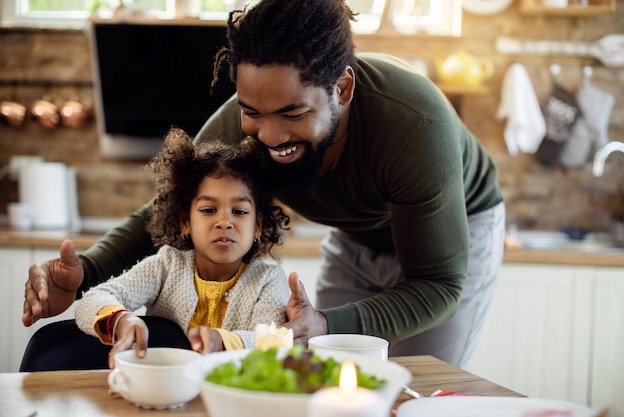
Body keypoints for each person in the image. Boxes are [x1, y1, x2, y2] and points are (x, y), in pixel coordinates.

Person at [22, 0, 505, 368]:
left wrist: (329, 323)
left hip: (454, 232)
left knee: (414, 383)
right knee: (326, 379)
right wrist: (85, 272)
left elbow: (439, 283)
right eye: (253, 112)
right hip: (357, 233)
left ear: (342, 88)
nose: (270, 137)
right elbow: (170, 212)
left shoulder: (415, 127)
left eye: (293, 113)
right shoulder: (241, 126)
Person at [77, 128, 291, 365]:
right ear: (185, 222)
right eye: (209, 210)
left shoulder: (269, 280)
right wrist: (121, 321)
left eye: (239, 211)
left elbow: (271, 342)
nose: (224, 222)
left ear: (258, 226)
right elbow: (93, 299)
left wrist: (221, 341)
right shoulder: (166, 267)